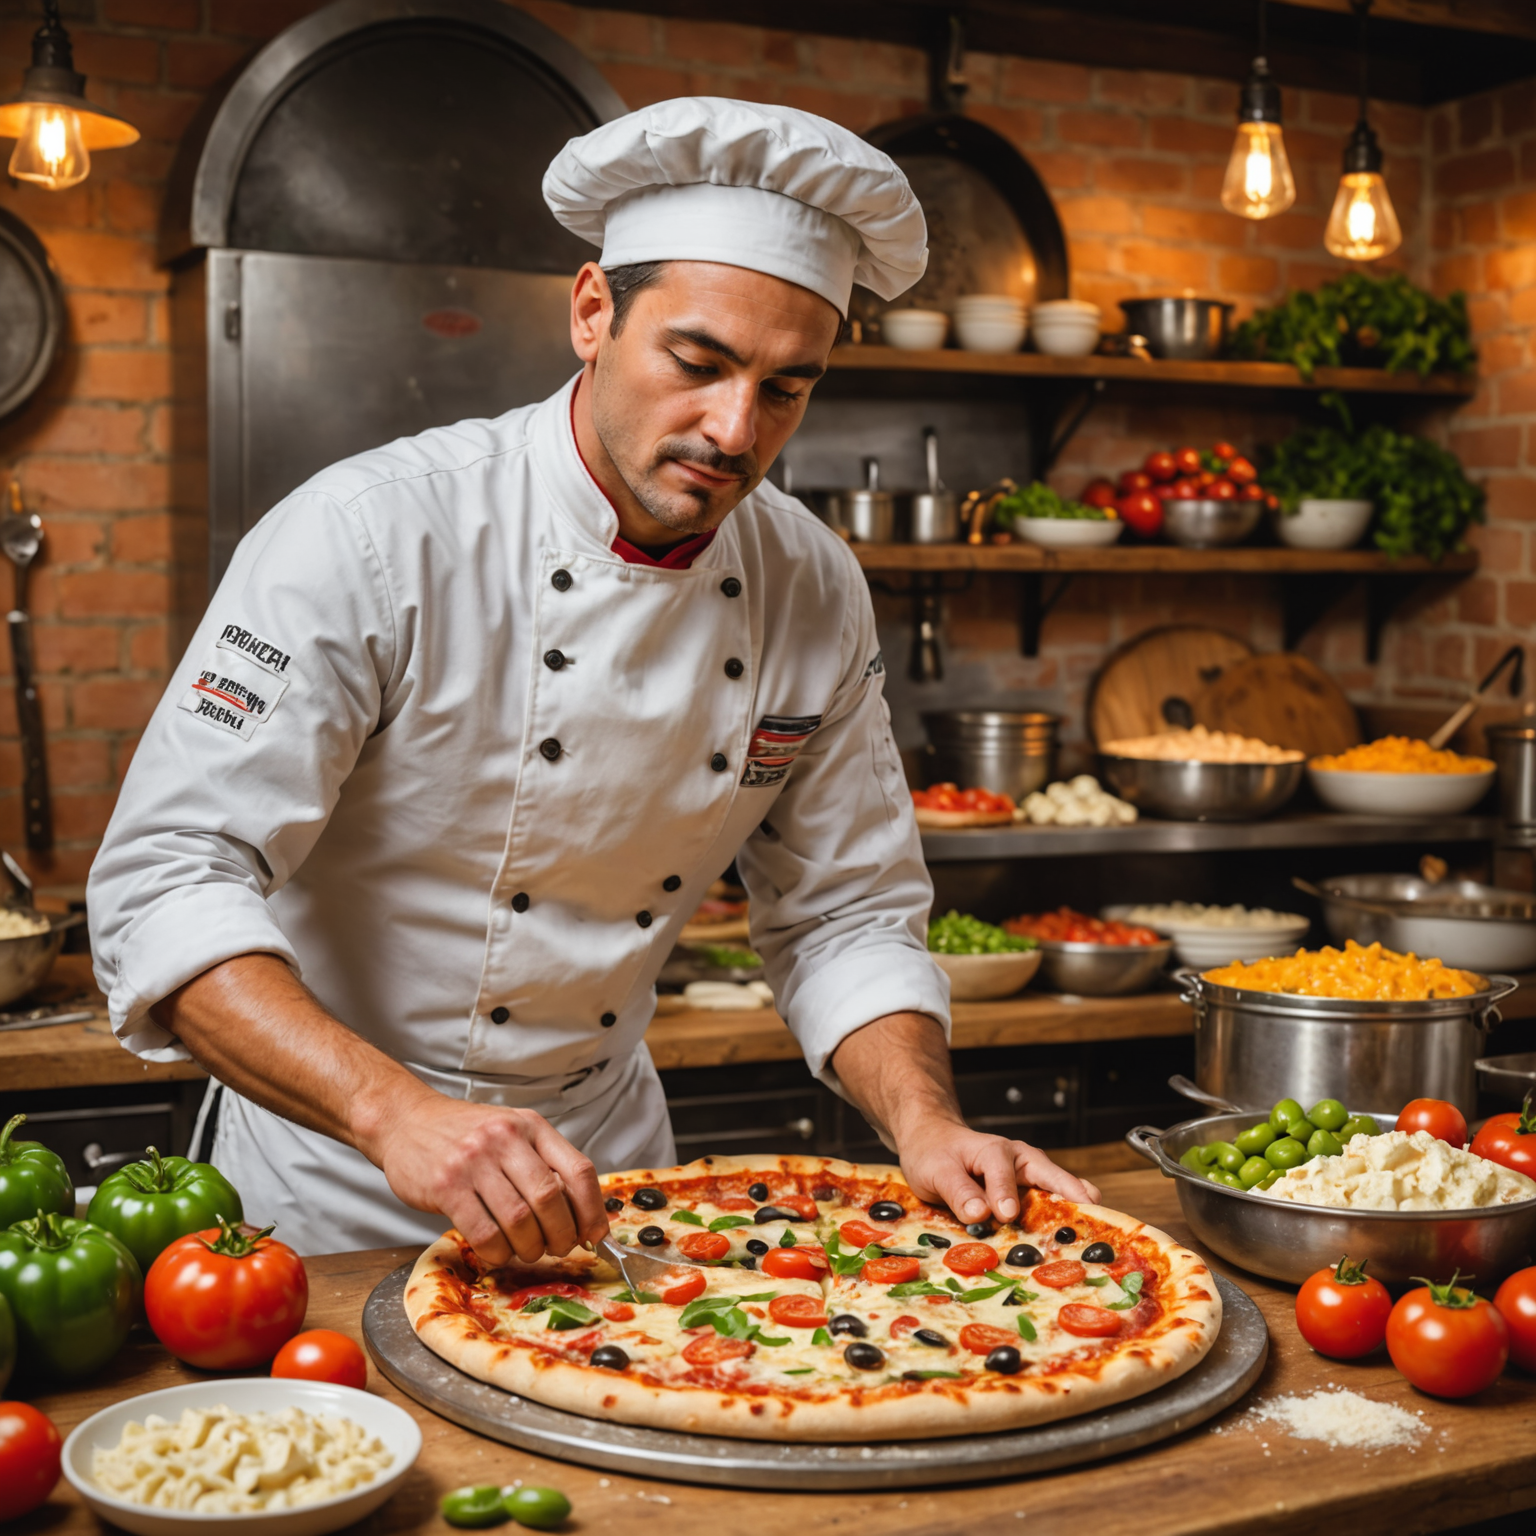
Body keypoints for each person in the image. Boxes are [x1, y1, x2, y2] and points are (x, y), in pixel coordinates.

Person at [88, 98, 1097, 1260]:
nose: (735, 430)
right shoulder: (370, 536)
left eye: (786, 388)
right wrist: (394, 1115)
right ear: (591, 312)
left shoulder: (812, 585)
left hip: (606, 1180)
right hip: (330, 1182)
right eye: (698, 363)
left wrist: (926, 1124)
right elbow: (166, 880)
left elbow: (846, 912)